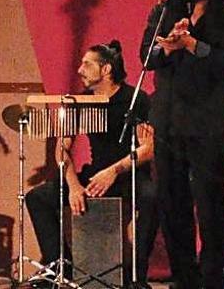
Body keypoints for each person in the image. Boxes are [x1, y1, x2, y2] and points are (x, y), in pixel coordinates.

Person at [140, 0, 224, 289]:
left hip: (207, 125)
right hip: (169, 122)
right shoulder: (163, 11)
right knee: (172, 205)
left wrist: (191, 44)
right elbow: (146, 56)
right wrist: (167, 48)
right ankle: (183, 279)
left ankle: (214, 280)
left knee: (210, 206)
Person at [26, 40, 157, 287]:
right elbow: (62, 149)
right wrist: (74, 185)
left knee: (153, 196)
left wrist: (114, 170)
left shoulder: (135, 98)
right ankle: (60, 268)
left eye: (87, 64)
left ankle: (137, 276)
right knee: (38, 197)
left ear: (106, 69)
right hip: (95, 175)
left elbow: (148, 149)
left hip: (127, 173)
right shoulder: (81, 101)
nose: (80, 69)